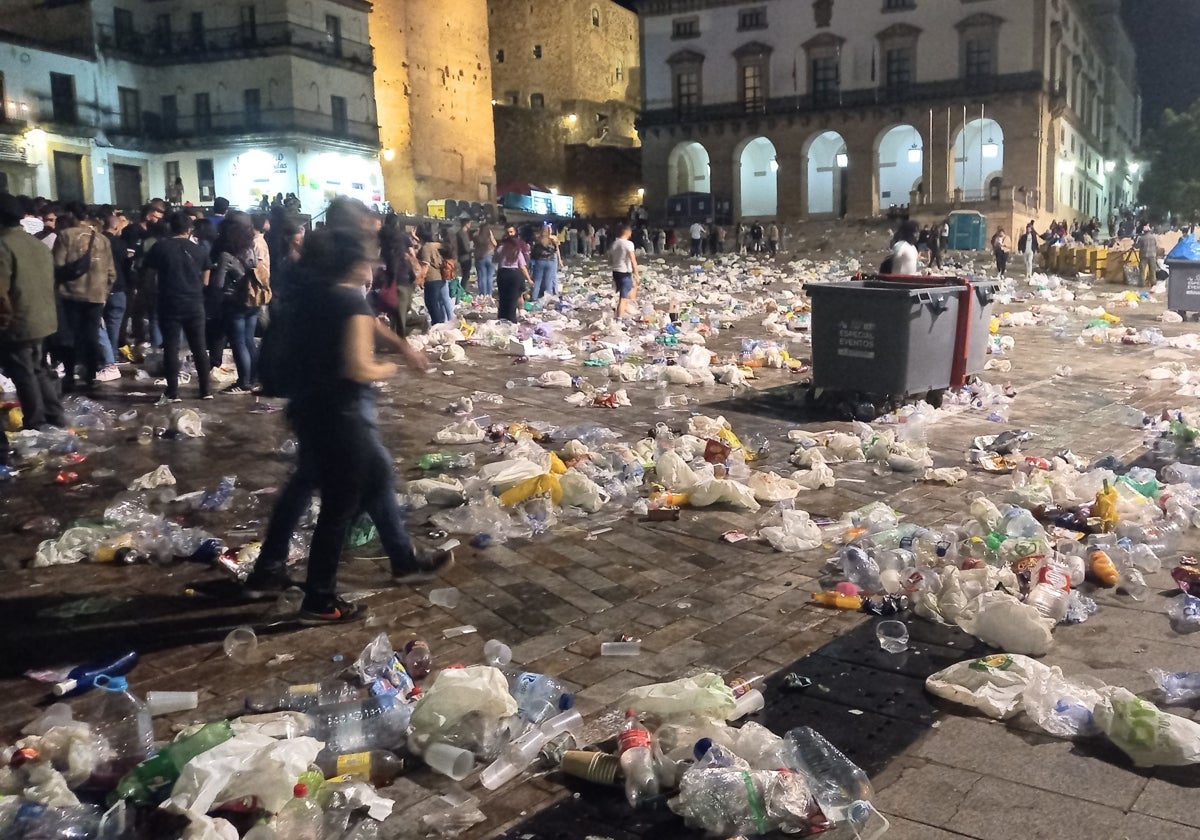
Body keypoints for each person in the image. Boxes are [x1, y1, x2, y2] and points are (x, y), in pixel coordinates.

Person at [244, 228, 452, 619]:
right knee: (339, 508)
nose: (374, 267)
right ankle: (320, 599)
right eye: (368, 260)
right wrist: (391, 365)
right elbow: (359, 366)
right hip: (344, 416)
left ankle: (403, 561)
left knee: (377, 477)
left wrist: (402, 345)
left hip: (311, 410)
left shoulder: (313, 297)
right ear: (353, 265)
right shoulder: (349, 304)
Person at [0, 192, 65, 448]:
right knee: (38, 369)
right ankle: (55, 417)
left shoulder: (3, 246)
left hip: (19, 321)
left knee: (24, 372)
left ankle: (36, 422)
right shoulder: (35, 243)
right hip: (44, 319)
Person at [144, 212, 211, 403]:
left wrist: (150, 295)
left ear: (170, 228)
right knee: (199, 347)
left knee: (171, 348)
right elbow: (206, 279)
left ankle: (173, 392)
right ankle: (205, 390)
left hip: (169, 302)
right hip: (195, 303)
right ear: (190, 230)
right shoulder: (199, 250)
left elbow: (149, 276)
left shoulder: (160, 248)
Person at [53, 205, 116, 393]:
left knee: (69, 337)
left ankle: (70, 375)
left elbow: (57, 265)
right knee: (91, 336)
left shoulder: (65, 236)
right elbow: (111, 273)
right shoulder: (103, 240)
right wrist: (104, 292)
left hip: (70, 294)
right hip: (96, 295)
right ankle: (91, 376)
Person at [211, 213, 266, 394]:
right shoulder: (250, 247)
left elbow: (218, 284)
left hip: (234, 302)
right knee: (249, 340)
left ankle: (244, 382)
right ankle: (255, 378)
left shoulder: (226, 255)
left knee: (238, 343)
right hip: (252, 300)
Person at [95, 210, 129, 382]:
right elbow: (125, 264)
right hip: (119, 288)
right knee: (114, 325)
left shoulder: (97, 242)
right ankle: (112, 357)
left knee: (99, 326)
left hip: (100, 289)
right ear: (116, 226)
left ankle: (105, 359)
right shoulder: (120, 244)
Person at [494, 224, 531, 322]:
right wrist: (529, 279)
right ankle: (511, 318)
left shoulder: (500, 248)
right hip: (514, 274)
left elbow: (495, 260)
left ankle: (502, 317)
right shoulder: (517, 250)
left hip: (502, 274)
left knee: (503, 297)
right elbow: (522, 267)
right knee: (513, 297)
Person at [416, 227, 453, 325]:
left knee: (431, 304)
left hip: (431, 279)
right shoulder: (432, 246)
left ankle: (437, 325)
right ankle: (441, 323)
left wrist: (420, 279)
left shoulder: (425, 248)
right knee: (437, 303)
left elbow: (425, 266)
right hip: (439, 278)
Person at [609, 223, 639, 319]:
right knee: (624, 297)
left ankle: (619, 313)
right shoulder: (629, 244)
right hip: (625, 273)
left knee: (627, 292)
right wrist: (636, 274)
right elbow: (633, 260)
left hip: (616, 272)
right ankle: (619, 319)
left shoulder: (614, 243)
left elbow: (610, 259)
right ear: (628, 232)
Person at [530, 224, 563, 299]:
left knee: (537, 281)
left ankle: (534, 297)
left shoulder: (537, 239)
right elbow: (555, 249)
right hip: (550, 261)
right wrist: (559, 260)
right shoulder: (552, 240)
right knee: (548, 281)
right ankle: (548, 299)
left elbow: (533, 250)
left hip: (539, 261)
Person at [472, 221, 497, 299]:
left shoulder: (476, 237)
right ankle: (489, 294)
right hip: (490, 256)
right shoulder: (489, 236)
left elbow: (474, 242)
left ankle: (482, 294)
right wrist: (491, 234)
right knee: (489, 276)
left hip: (480, 258)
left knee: (481, 276)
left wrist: (477, 231)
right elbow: (495, 244)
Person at [455, 216, 473, 298]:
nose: (470, 225)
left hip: (463, 256)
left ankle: (462, 291)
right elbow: (466, 247)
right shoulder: (462, 234)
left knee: (466, 275)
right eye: (469, 223)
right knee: (466, 275)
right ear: (466, 224)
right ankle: (462, 292)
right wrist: (472, 250)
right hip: (465, 257)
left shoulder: (461, 233)